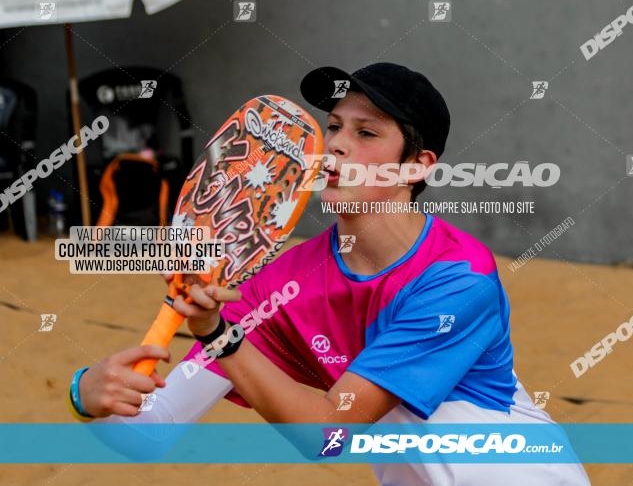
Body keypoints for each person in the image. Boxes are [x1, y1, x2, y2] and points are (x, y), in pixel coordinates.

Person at [69, 62, 591, 485]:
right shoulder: (274, 286)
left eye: (366, 133)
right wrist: (89, 396)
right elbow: (154, 431)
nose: (335, 146)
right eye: (334, 127)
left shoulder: (458, 277)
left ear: (417, 165)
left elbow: (330, 434)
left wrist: (219, 334)